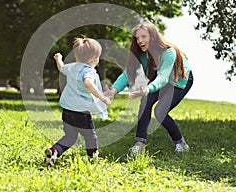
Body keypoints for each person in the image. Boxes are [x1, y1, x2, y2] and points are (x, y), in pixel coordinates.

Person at [105, 21, 194, 156]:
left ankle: (181, 144)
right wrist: (113, 90)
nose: (139, 40)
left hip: (179, 80)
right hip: (159, 80)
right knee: (145, 102)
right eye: (137, 38)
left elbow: (163, 77)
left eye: (143, 37)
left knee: (160, 112)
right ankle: (139, 144)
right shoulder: (141, 53)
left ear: (153, 36)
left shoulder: (168, 52)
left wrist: (148, 88)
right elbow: (128, 72)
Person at [44, 37, 111, 166]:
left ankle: (54, 151)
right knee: (90, 137)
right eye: (98, 57)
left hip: (67, 111)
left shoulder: (72, 67)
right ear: (93, 59)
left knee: (70, 137)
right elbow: (87, 82)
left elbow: (61, 68)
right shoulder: (88, 71)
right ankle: (93, 159)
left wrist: (58, 59)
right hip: (81, 113)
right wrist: (102, 98)